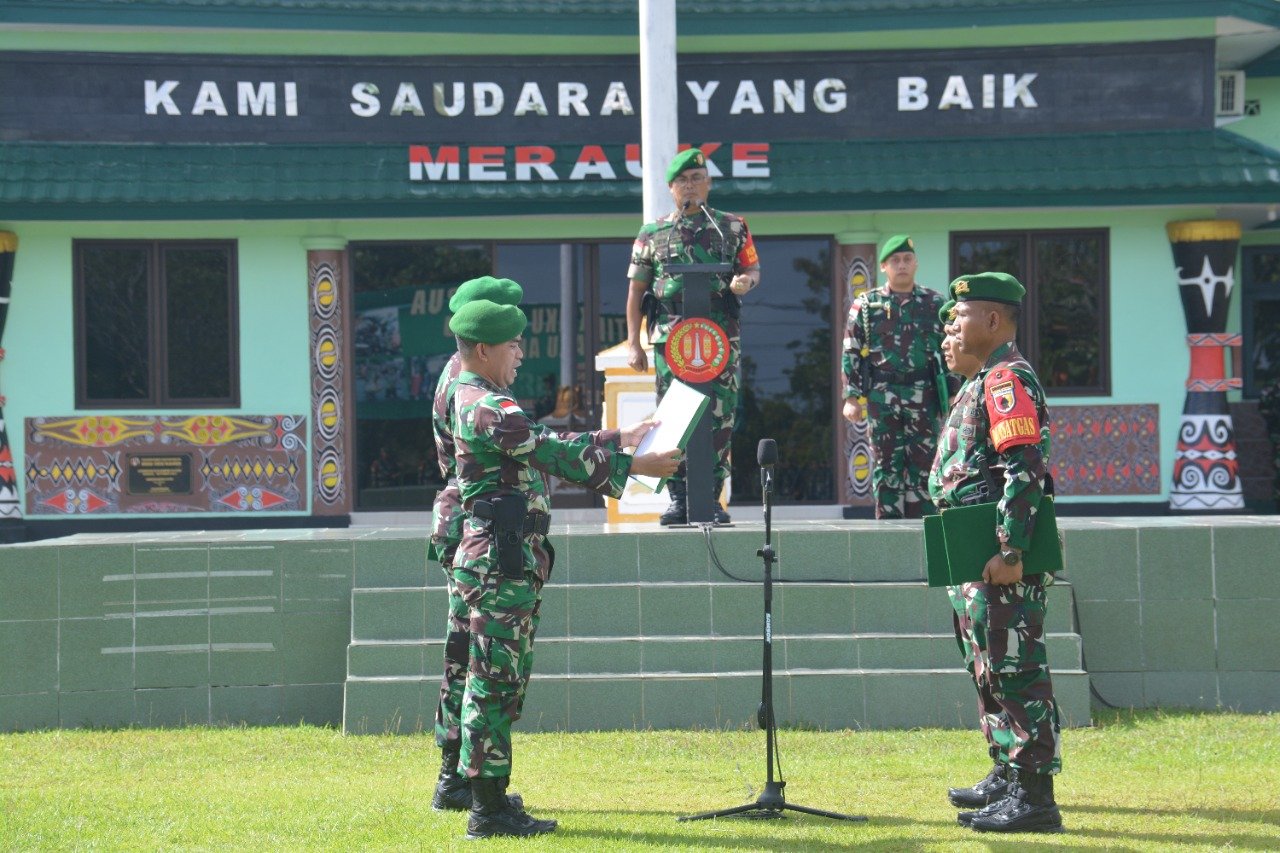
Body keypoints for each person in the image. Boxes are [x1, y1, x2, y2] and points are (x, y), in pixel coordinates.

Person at [448, 298, 681, 839]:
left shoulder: (482, 398)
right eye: (513, 346)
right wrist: (631, 464)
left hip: (504, 559)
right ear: (483, 349)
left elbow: (542, 444)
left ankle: (492, 796)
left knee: (499, 680)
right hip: (499, 562)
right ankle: (487, 810)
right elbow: (548, 452)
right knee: (494, 681)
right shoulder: (487, 406)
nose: (521, 356)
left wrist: (614, 438)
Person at [927, 272, 1063, 834]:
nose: (952, 326)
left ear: (992, 319)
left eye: (959, 317)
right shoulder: (981, 379)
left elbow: (1024, 467)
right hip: (971, 547)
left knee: (1015, 669)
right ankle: (1008, 774)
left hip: (997, 552)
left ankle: (1034, 798)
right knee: (988, 664)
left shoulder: (1007, 379)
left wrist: (1011, 548)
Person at [428, 275, 524, 815]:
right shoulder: (470, 383)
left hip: (461, 521)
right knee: (479, 659)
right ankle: (464, 782)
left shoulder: (456, 372)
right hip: (476, 524)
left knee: (463, 655)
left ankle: (453, 778)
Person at [625, 147, 761, 525]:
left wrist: (744, 281)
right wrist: (634, 343)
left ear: (709, 184)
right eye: (682, 181)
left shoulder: (731, 226)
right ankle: (678, 498)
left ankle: (711, 499)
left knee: (720, 417)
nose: (690, 186)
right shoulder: (653, 232)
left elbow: (751, 268)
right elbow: (637, 291)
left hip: (719, 336)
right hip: (673, 338)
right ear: (671, 188)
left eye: (697, 179)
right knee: (672, 417)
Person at [842, 234, 947, 518]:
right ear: (885, 266)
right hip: (882, 395)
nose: (902, 265)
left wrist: (956, 396)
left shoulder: (935, 303)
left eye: (907, 259)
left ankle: (923, 530)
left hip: (924, 395)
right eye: (895, 260)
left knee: (924, 467)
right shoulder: (866, 305)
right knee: (886, 466)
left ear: (916, 264)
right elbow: (851, 350)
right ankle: (888, 533)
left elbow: (951, 352)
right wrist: (852, 397)